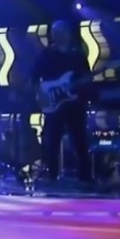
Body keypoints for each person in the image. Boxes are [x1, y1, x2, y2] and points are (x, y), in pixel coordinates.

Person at [30, 20, 93, 184]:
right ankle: (52, 175)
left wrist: (85, 82)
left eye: (62, 32)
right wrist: (41, 94)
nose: (59, 36)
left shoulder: (77, 55)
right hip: (53, 104)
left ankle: (85, 177)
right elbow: (34, 78)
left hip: (75, 103)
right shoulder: (46, 55)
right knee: (52, 140)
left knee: (79, 140)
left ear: (68, 34)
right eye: (55, 33)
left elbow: (86, 77)